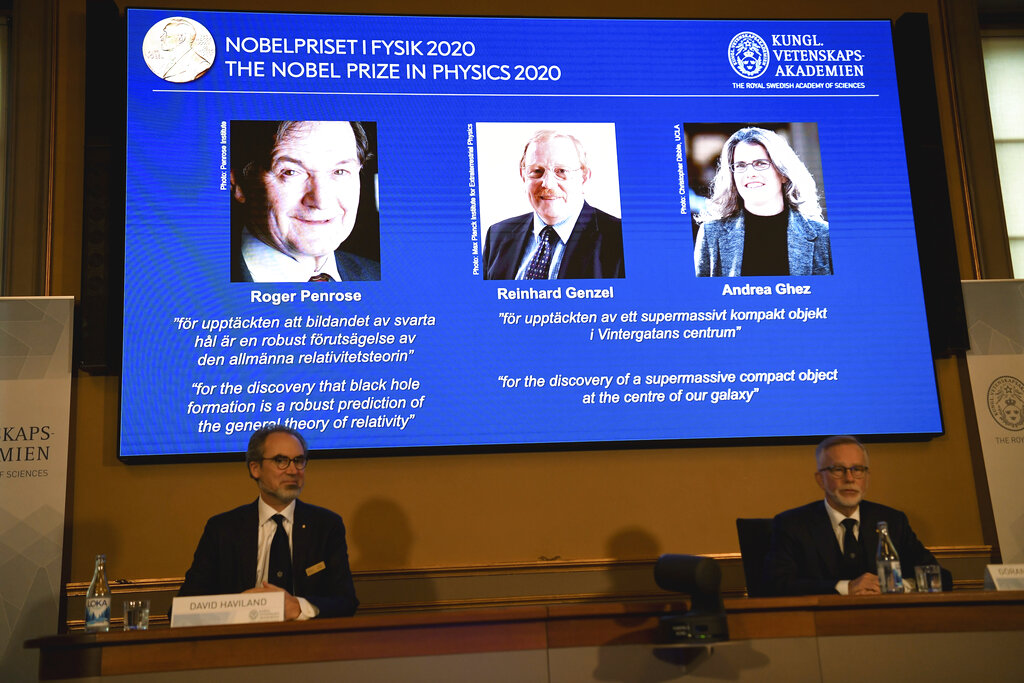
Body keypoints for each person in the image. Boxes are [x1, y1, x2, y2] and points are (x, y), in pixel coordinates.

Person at [178, 425, 359, 619]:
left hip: (307, 642)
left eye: (299, 461)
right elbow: (182, 608)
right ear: (255, 468)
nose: (293, 470)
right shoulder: (223, 529)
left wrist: (298, 607)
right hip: (239, 644)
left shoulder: (325, 526)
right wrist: (238, 606)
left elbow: (346, 602)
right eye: (280, 460)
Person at [766, 435, 949, 596]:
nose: (850, 478)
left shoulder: (893, 521)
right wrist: (847, 587)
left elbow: (941, 577)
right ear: (820, 479)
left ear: (867, 478)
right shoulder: (792, 524)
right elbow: (776, 585)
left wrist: (893, 586)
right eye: (838, 469)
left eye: (857, 469)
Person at [231, 120, 380, 283]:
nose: (321, 201)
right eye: (291, 172)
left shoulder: (384, 277)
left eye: (340, 171)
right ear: (239, 184)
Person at [483, 129, 624, 280]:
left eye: (561, 171)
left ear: (583, 178)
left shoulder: (620, 239)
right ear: (523, 176)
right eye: (537, 171)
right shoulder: (497, 234)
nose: (548, 183)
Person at [693, 126, 832, 277]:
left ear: (783, 174)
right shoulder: (711, 233)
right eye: (740, 165)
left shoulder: (824, 235)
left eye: (760, 163)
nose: (750, 173)